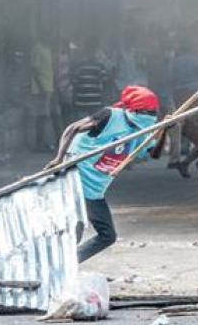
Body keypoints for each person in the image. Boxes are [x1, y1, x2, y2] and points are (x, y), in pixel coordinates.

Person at [45, 85, 160, 262]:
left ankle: (70, 263)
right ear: (133, 109)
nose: (150, 117)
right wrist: (59, 158)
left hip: (96, 188)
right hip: (77, 174)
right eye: (145, 112)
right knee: (75, 227)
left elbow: (155, 154)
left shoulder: (145, 130)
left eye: (153, 113)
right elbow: (72, 129)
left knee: (107, 235)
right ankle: (61, 266)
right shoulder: (110, 116)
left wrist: (164, 130)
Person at [166, 36, 198, 177]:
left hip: (178, 93)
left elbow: (170, 78)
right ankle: (193, 148)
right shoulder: (193, 59)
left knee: (183, 121)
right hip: (192, 94)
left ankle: (185, 147)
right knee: (195, 120)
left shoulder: (175, 62)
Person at [68, 38, 111, 121]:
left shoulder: (79, 66)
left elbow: (74, 82)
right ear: (95, 52)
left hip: (81, 102)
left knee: (82, 127)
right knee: (96, 127)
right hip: (96, 102)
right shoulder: (99, 66)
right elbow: (105, 80)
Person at [29, 37, 55, 151]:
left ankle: (43, 143)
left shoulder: (47, 49)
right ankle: (39, 144)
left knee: (45, 117)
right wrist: (41, 88)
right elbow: (34, 69)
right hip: (41, 89)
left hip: (48, 87)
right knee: (41, 117)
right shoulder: (37, 48)